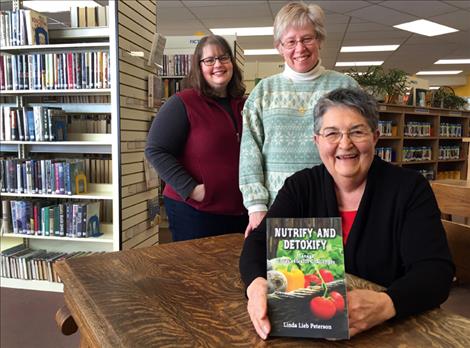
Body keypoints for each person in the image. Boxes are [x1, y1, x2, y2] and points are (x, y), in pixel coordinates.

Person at [239, 88, 454, 340]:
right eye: (332, 133)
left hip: (390, 332)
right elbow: (257, 242)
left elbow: (435, 271)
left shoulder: (409, 189)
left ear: (375, 137)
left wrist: (387, 303)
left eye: (357, 131)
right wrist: (256, 287)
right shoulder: (300, 186)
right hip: (309, 330)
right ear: (317, 141)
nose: (345, 144)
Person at [239, 2, 359, 236]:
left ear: (320, 40)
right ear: (279, 47)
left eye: (307, 39)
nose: (299, 48)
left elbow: (360, 144)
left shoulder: (345, 87)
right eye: (290, 41)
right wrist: (256, 206)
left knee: (332, 270)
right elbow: (249, 150)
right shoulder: (264, 91)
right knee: (283, 271)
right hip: (277, 206)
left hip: (334, 203)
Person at [145, 35, 248, 241]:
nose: (217, 64)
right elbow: (156, 150)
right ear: (199, 67)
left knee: (236, 270)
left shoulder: (246, 104)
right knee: (197, 272)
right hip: (195, 211)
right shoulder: (182, 103)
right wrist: (191, 189)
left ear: (232, 64)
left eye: (223, 58)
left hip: (240, 209)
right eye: (209, 60)